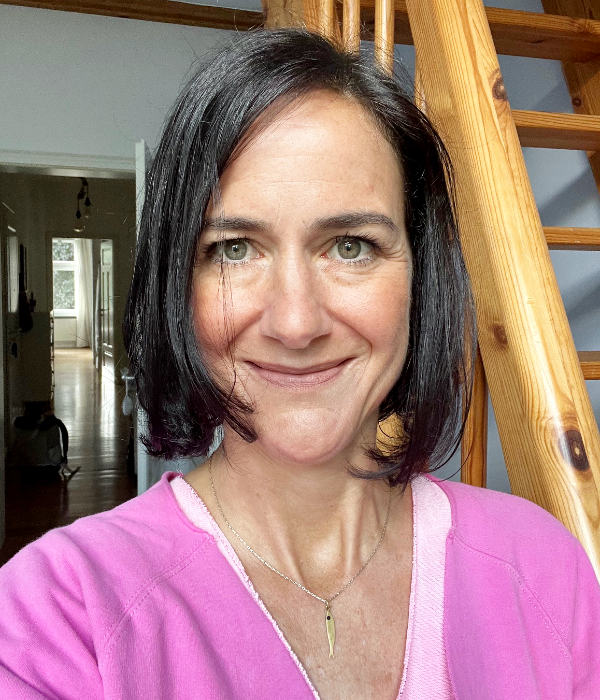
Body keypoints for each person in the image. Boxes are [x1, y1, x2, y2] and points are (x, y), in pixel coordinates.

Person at [0, 28, 599, 700]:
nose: (295, 323)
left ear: (419, 277)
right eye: (234, 248)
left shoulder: (543, 569)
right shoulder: (59, 615)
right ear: (178, 285)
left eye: (350, 245)